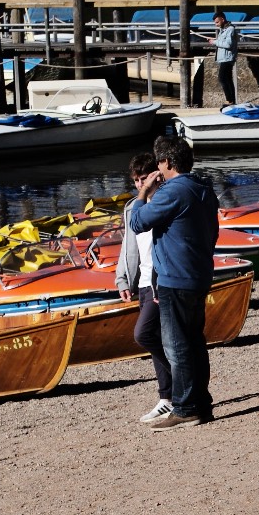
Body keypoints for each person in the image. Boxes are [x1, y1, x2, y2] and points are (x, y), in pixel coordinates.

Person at [125, 133, 219, 428]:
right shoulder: (204, 189)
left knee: (178, 345)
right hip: (198, 273)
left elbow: (138, 223)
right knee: (194, 342)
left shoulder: (173, 191)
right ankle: (200, 403)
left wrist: (144, 193)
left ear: (166, 162)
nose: (157, 170)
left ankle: (185, 406)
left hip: (175, 277)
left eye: (159, 163)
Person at [113, 152, 173, 424]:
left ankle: (176, 385)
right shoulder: (132, 208)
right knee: (155, 339)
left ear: (155, 176)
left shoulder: (164, 203)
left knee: (144, 335)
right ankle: (167, 398)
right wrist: (123, 278)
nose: (139, 184)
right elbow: (129, 247)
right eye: (135, 180)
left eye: (143, 179)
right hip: (144, 283)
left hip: (162, 282)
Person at [212, 14, 239, 106]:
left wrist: (214, 42)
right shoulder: (223, 30)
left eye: (217, 22)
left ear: (222, 19)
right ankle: (232, 100)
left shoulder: (230, 29)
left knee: (222, 78)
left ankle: (229, 100)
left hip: (227, 58)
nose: (216, 24)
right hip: (224, 58)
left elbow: (228, 44)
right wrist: (216, 40)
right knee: (227, 78)